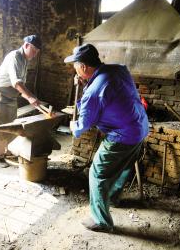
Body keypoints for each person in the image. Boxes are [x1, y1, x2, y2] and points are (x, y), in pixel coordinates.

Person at [64, 43, 149, 232]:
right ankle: (113, 198)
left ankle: (102, 221)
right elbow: (107, 92)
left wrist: (73, 126)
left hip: (122, 135)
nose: (75, 70)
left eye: (75, 66)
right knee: (124, 166)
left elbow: (82, 126)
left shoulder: (94, 92)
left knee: (97, 173)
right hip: (140, 128)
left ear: (83, 67)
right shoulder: (118, 70)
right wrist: (86, 83)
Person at [0, 35, 42, 168]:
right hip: (1, 95)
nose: (35, 54)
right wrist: (30, 97)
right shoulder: (15, 57)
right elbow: (16, 82)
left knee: (11, 125)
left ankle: (7, 151)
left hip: (12, 96)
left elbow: (20, 86)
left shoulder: (25, 60)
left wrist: (30, 98)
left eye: (37, 52)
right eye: (34, 50)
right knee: (0, 126)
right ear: (26, 45)